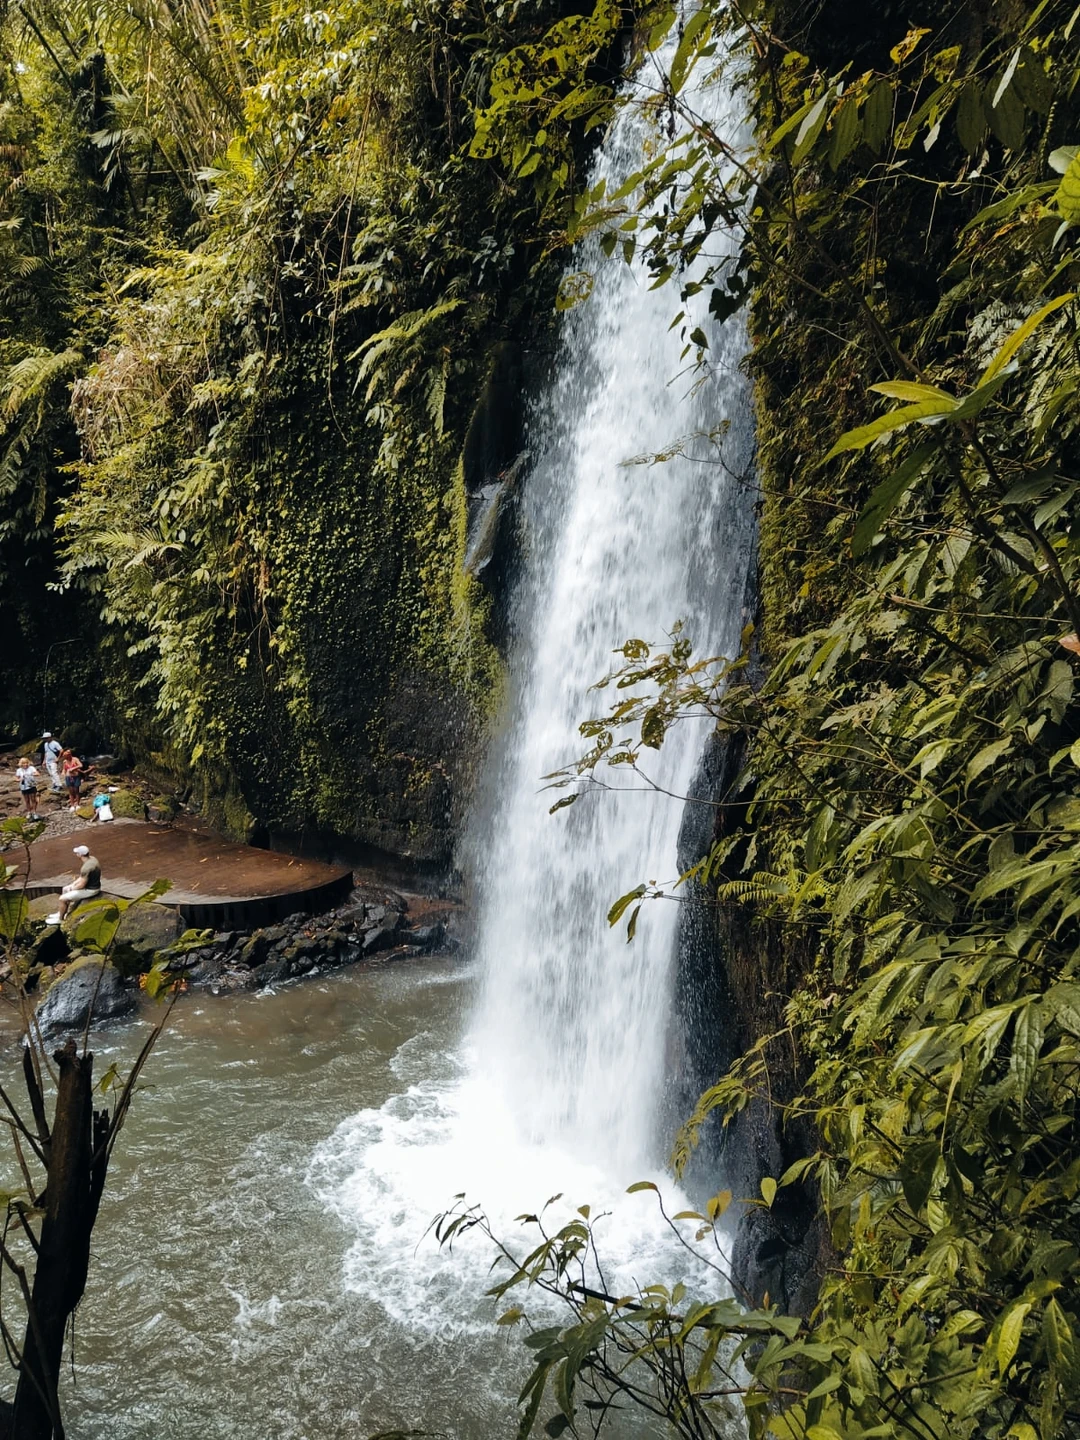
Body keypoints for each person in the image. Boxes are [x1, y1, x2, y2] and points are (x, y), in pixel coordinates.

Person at [47, 845, 101, 925]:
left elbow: (82, 885)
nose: (76, 854)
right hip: (93, 885)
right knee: (65, 889)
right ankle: (61, 912)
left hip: (91, 890)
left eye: (77, 853)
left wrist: (73, 888)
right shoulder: (92, 859)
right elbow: (83, 877)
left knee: (62, 899)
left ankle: (60, 919)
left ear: (80, 855)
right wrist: (72, 885)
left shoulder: (86, 868)